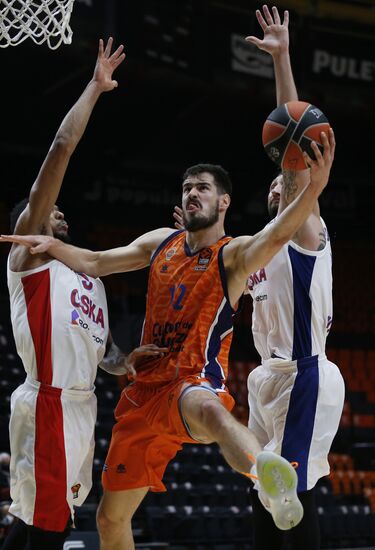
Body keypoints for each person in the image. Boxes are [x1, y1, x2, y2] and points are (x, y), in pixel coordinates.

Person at [0, 77, 335, 550]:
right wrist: (52, 243)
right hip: (141, 394)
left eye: (202, 188)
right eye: (186, 188)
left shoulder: (233, 254)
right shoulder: (161, 242)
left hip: (191, 380)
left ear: (224, 203)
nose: (191, 194)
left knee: (210, 413)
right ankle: (262, 470)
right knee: (111, 521)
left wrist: (310, 190)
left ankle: (267, 474)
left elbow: (276, 236)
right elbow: (96, 261)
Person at [0, 38, 166, 550]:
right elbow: (60, 150)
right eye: (53, 212)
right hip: (48, 401)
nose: (61, 214)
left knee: (38, 519)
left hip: (81, 406)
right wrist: (94, 89)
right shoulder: (31, 256)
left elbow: (100, 348)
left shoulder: (88, 276)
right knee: (50, 528)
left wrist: (122, 362)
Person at [244, 6, 345, 550]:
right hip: (268, 377)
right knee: (263, 490)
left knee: (295, 496)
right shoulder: (260, 249)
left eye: (288, 186)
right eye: (274, 190)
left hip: (306, 372)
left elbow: (295, 148)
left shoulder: (306, 231)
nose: (278, 188)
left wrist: (282, 59)